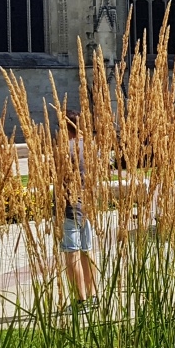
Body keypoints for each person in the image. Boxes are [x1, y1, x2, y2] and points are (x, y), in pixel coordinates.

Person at [59, 111, 99, 312]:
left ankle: (80, 300)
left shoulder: (65, 149)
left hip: (71, 207)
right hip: (87, 206)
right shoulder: (91, 148)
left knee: (71, 254)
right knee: (86, 251)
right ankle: (93, 296)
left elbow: (56, 176)